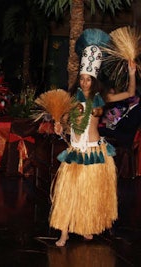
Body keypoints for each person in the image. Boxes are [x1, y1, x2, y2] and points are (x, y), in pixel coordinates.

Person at [49, 29, 137, 247]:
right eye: (82, 78)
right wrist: (59, 127)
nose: (84, 82)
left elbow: (129, 93)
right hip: (76, 151)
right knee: (68, 194)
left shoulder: (102, 97)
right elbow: (67, 123)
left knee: (90, 194)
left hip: (95, 151)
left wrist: (132, 73)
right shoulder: (71, 100)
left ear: (94, 79)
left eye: (88, 79)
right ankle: (64, 233)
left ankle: (87, 227)